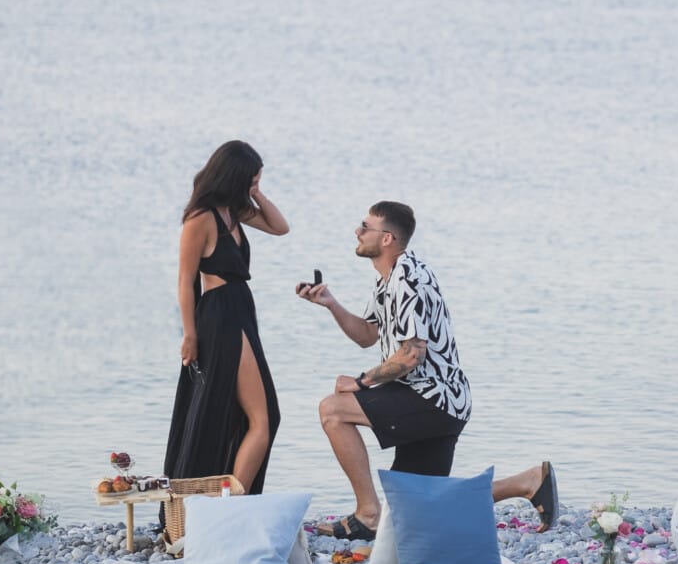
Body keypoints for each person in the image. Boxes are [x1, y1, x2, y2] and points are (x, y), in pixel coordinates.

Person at [297, 200, 558, 540]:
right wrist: (330, 303)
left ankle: (367, 513)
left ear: (387, 238)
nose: (357, 232)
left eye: (365, 226)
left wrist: (361, 382)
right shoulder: (388, 279)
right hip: (437, 399)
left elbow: (411, 356)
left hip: (432, 399)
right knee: (413, 513)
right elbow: (367, 334)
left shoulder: (407, 277)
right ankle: (526, 481)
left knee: (333, 410)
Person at [162, 141, 289, 502]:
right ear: (234, 176)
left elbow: (281, 228)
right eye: (251, 179)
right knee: (263, 419)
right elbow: (185, 281)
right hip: (219, 315)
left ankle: (228, 504)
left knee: (253, 417)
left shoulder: (234, 211)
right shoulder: (200, 219)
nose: (255, 184)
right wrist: (189, 335)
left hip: (240, 310)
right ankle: (229, 508)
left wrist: (256, 193)